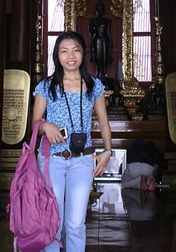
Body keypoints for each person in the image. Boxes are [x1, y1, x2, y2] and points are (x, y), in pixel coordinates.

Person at [32, 31, 113, 252]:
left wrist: (107, 151)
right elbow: (34, 124)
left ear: (83, 54)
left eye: (76, 50)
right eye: (64, 51)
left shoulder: (93, 85)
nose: (70, 56)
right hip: (52, 161)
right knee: (53, 222)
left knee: (76, 224)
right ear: (57, 56)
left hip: (82, 161)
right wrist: (45, 126)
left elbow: (104, 123)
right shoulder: (46, 86)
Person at [88, 3, 113, 82]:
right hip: (97, 39)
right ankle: (98, 72)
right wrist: (95, 28)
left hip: (104, 40)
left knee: (104, 57)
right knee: (98, 57)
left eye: (101, 9)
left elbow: (108, 33)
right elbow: (91, 33)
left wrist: (110, 42)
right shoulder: (92, 21)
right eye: (98, 9)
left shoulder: (106, 21)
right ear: (96, 11)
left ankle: (104, 73)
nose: (100, 11)